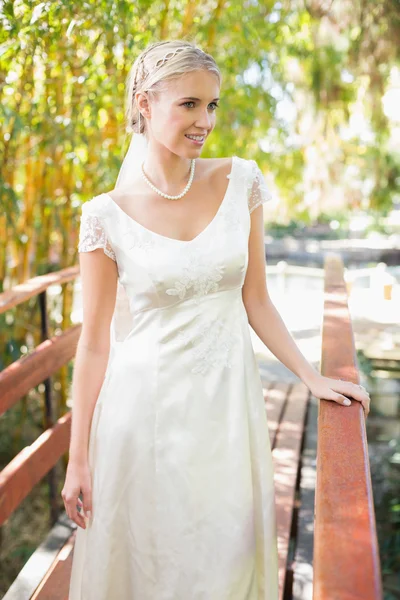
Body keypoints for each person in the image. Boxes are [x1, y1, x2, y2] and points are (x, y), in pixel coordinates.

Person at [62, 39, 370, 600]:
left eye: (212, 106)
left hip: (227, 412)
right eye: (189, 105)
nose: (204, 121)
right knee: (149, 567)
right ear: (144, 103)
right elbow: (95, 345)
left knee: (225, 558)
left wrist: (312, 378)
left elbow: (258, 301)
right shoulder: (104, 217)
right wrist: (77, 457)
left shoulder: (242, 182)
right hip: (141, 420)